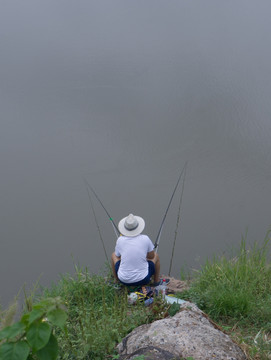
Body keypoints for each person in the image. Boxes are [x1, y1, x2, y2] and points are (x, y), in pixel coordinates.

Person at [111, 213, 160, 286]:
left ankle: (116, 281)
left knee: (113, 255)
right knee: (156, 256)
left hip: (123, 280)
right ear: (138, 227)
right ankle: (156, 281)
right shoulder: (145, 238)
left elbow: (117, 255)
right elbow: (151, 256)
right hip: (144, 279)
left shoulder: (120, 240)